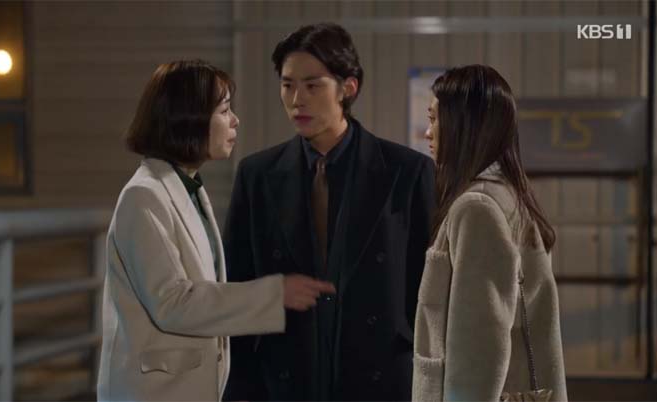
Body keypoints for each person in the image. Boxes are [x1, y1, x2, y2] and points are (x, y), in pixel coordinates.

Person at [97, 59, 335, 402]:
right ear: (189, 119)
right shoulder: (143, 196)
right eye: (224, 111)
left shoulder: (188, 188)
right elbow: (172, 303)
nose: (235, 120)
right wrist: (274, 294)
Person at [223, 23, 436, 401]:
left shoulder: (406, 171)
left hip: (380, 377)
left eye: (312, 85)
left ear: (348, 88)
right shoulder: (257, 175)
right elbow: (236, 283)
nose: (297, 100)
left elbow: (427, 290)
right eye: (287, 85)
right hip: (284, 378)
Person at [412, 64, 567, 401]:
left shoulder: (477, 208)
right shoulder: (509, 196)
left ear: (464, 126)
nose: (428, 133)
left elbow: (478, 350)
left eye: (435, 119)